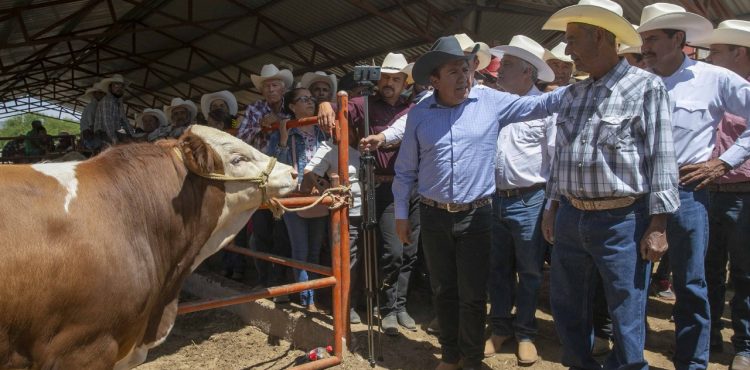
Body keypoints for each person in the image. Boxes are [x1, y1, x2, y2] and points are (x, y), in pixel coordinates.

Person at [392, 35, 564, 370]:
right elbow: (404, 170)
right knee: (444, 290)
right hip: (433, 216)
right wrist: (401, 215)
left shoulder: (490, 101)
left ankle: (470, 359)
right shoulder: (419, 114)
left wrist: (582, 88)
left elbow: (539, 105)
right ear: (435, 79)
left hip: (477, 216)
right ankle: (450, 354)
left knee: (473, 295)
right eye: (453, 71)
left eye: (466, 69)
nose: (463, 77)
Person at [539, 1, 679, 369]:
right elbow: (561, 157)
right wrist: (552, 207)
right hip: (571, 215)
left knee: (625, 310)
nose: (567, 50)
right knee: (567, 306)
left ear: (599, 36)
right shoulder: (574, 93)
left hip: (623, 220)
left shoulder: (645, 87)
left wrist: (659, 224)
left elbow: (661, 159)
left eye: (572, 39)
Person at [638, 4, 750, 369]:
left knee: (690, 282)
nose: (646, 47)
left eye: (653, 39)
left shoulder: (715, 78)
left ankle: (692, 362)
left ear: (678, 40)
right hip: (636, 193)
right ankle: (630, 355)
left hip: (687, 194)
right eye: (643, 39)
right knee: (633, 280)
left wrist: (724, 161)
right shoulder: (634, 79)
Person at [320, 52, 420, 335]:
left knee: (411, 252)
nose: (389, 82)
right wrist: (326, 103)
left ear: (404, 82)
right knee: (393, 251)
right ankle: (388, 309)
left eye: (396, 78)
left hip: (414, 184)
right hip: (384, 186)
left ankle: (400, 306)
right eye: (386, 77)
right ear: (378, 79)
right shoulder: (363, 104)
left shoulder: (415, 106)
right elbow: (341, 110)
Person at [482, 35, 556, 365]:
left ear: (527, 72)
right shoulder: (494, 105)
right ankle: (500, 328)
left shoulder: (545, 108)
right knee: (497, 269)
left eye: (507, 65)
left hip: (531, 200)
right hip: (494, 199)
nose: (499, 70)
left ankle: (525, 332)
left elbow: (552, 161)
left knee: (529, 272)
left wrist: (551, 207)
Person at [694, 19, 750, 370]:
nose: (708, 57)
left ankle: (744, 345)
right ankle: (709, 336)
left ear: (739, 53)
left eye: (716, 51)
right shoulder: (710, 87)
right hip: (705, 189)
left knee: (744, 274)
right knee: (706, 269)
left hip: (742, 192)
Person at [238, 64, 294, 293]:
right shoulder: (254, 110)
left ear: (283, 89)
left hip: (283, 176)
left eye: (275, 85)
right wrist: (261, 126)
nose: (271, 89)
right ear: (262, 91)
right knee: (261, 231)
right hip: (259, 177)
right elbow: (240, 139)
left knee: (281, 233)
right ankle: (263, 278)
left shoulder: (291, 110)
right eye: (267, 86)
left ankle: (278, 280)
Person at [302, 119, 363, 323]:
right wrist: (326, 189)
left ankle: (357, 302)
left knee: (363, 257)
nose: (346, 130)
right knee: (348, 259)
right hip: (348, 212)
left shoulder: (362, 147)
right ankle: (347, 305)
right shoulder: (329, 147)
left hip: (370, 211)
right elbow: (310, 172)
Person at [273, 87, 328, 312]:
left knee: (314, 250)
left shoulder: (322, 132)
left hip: (317, 197)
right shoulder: (286, 132)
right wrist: (284, 139)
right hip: (293, 195)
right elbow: (275, 163)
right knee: (301, 250)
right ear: (292, 107)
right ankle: (308, 299)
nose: (309, 102)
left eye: (311, 99)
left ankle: (310, 295)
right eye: (303, 99)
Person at [93, 74, 134, 145]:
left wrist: (132, 135)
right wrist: (114, 139)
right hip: (102, 132)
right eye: (116, 85)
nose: (119, 88)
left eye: (121, 86)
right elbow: (107, 121)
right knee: (121, 146)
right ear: (110, 87)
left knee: (131, 142)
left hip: (114, 131)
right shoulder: (107, 100)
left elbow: (124, 119)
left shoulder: (118, 102)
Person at [79, 82, 106, 151]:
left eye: (103, 93)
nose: (103, 95)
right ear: (95, 94)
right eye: (100, 93)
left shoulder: (98, 106)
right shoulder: (92, 106)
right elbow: (92, 125)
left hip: (92, 135)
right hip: (90, 138)